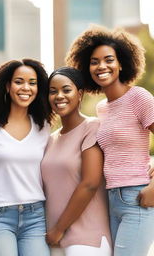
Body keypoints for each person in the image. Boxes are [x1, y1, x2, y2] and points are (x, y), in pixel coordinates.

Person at [66, 25, 154, 256]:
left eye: (108, 59)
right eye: (94, 61)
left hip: (137, 197)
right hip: (111, 199)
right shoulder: (102, 108)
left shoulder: (139, 98)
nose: (101, 66)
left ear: (122, 63)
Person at [0, 58, 53, 256]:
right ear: (8, 86)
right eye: (19, 81)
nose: (26, 88)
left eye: (32, 83)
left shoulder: (43, 126)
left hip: (36, 216)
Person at [41, 67, 112, 256]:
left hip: (88, 239)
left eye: (66, 90)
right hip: (55, 240)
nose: (59, 96)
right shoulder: (51, 139)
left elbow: (90, 183)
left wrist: (59, 229)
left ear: (79, 94)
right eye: (53, 91)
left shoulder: (92, 127)